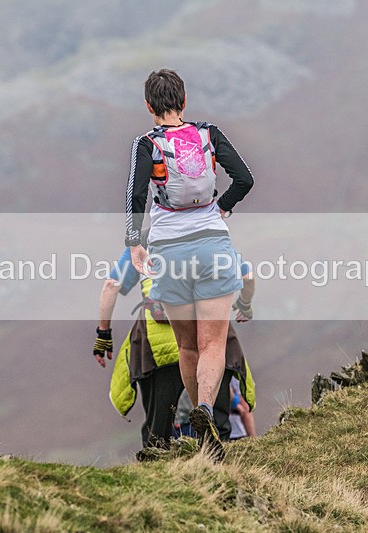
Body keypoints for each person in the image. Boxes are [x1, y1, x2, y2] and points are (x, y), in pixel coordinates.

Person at [125, 69, 254, 461]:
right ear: (184, 101)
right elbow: (245, 178)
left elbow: (137, 196)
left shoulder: (147, 143)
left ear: (149, 106)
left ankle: (200, 421)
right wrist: (223, 207)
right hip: (212, 243)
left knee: (186, 345)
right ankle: (205, 413)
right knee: (212, 342)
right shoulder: (208, 134)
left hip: (169, 252)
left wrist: (134, 243)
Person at [95, 245, 256, 457]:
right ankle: (221, 475)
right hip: (211, 338)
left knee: (158, 432)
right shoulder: (211, 232)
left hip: (158, 345)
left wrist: (103, 332)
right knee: (218, 424)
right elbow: (248, 276)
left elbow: (110, 285)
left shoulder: (142, 241)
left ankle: (158, 479)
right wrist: (244, 303)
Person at [228, 376, 256, 441]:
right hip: (236, 433)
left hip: (212, 435)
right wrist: (253, 440)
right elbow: (246, 410)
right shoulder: (236, 372)